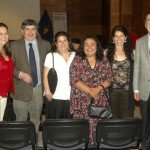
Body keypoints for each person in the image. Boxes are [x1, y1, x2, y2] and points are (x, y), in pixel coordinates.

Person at [10, 19, 51, 135]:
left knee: (36, 119)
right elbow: (8, 67)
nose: (30, 32)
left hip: (39, 88)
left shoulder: (45, 45)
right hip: (20, 89)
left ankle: (33, 141)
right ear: (22, 31)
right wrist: (20, 74)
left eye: (33, 29)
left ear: (37, 30)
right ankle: (20, 142)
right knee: (20, 120)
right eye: (27, 29)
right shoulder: (13, 45)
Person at [70, 35, 112, 145]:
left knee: (99, 129)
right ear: (82, 47)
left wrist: (97, 89)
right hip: (81, 101)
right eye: (86, 44)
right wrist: (91, 91)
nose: (89, 47)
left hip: (99, 101)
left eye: (92, 44)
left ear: (97, 46)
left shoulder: (103, 59)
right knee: (82, 131)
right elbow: (74, 80)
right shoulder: (77, 59)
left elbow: (109, 78)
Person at [43, 31, 75, 119]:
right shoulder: (51, 56)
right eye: (59, 41)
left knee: (70, 123)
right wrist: (47, 92)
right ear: (56, 43)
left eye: (65, 40)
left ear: (68, 42)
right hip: (56, 95)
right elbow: (45, 75)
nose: (62, 43)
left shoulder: (75, 55)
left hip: (72, 95)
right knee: (55, 123)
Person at [107, 25, 134, 119]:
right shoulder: (106, 54)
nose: (119, 38)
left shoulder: (132, 53)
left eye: (121, 35)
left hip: (127, 92)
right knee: (113, 118)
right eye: (116, 36)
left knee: (126, 118)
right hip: (112, 92)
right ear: (113, 38)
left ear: (125, 37)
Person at [133, 12, 150, 150]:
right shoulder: (140, 42)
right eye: (149, 20)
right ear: (145, 24)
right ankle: (145, 144)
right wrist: (136, 89)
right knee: (145, 120)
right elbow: (137, 67)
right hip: (145, 88)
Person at [0, 23, 14, 121]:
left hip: (4, 93)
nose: (4, 36)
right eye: (0, 33)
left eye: (6, 33)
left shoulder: (7, 50)